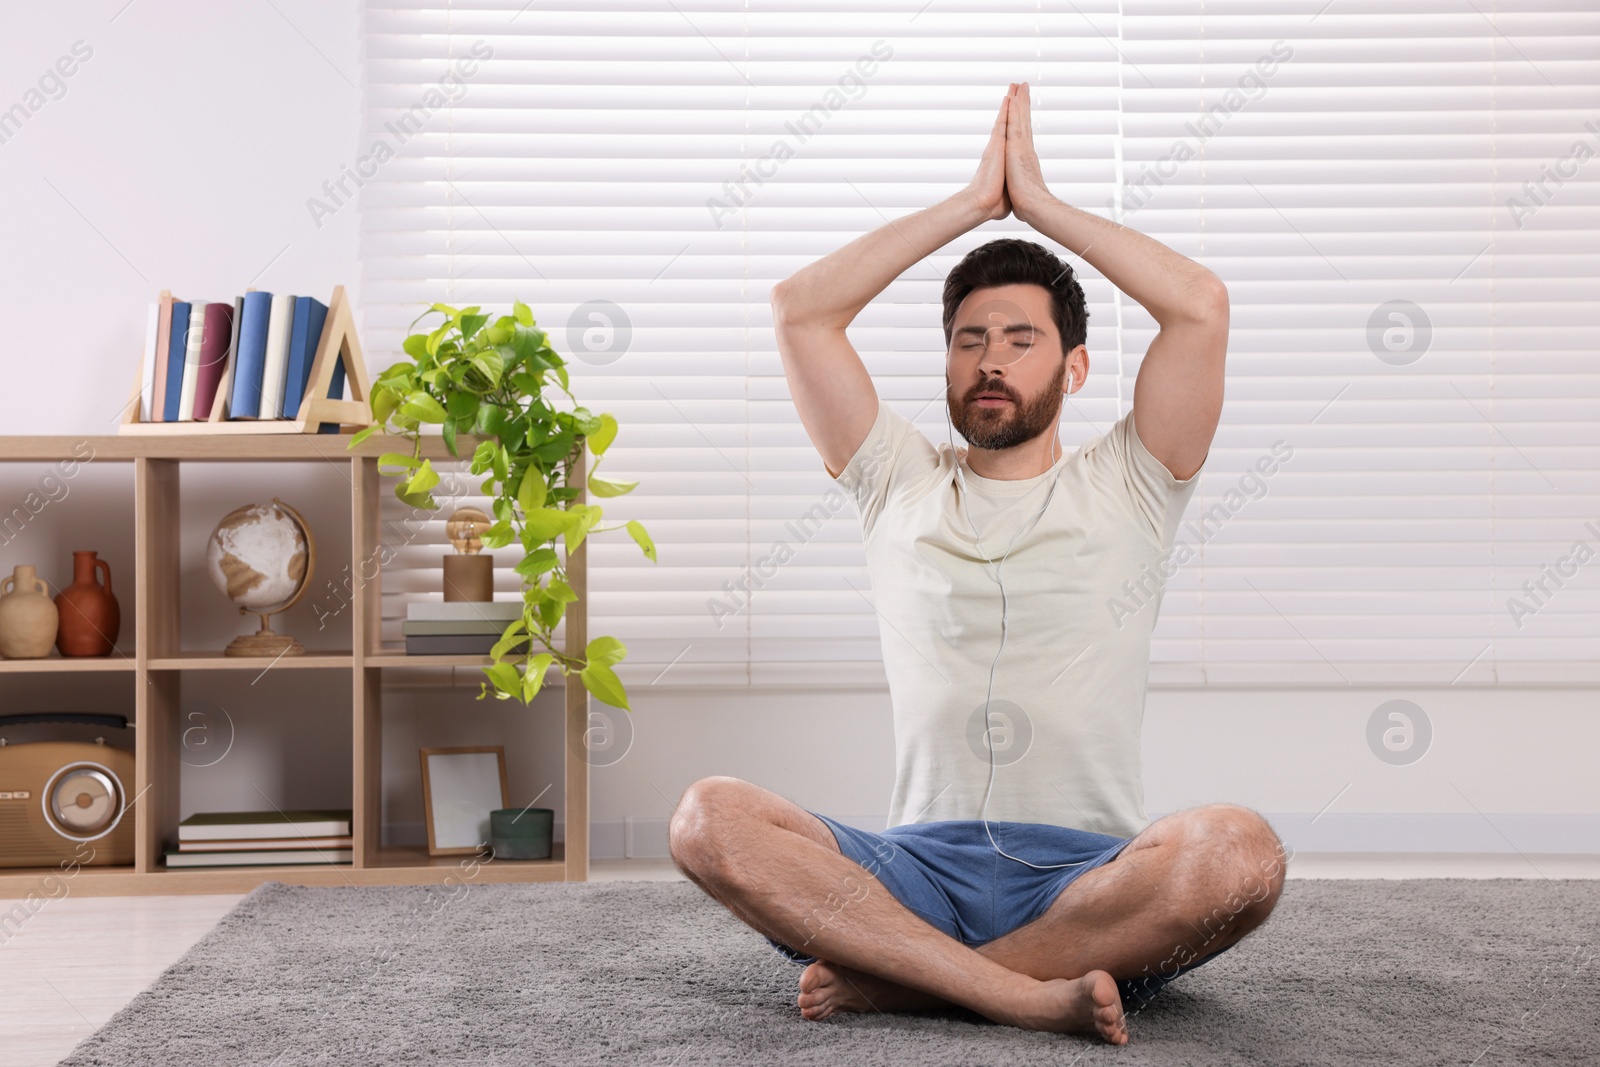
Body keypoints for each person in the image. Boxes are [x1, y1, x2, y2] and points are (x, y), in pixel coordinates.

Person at [668, 82, 1284, 1046]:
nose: (990, 360)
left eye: (1021, 339)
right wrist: (970, 204)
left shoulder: (1134, 478)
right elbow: (799, 311)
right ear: (949, 363)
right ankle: (1021, 993)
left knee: (1241, 855)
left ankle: (915, 985)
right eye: (969, 340)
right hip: (908, 874)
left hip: (1085, 884)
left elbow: (1200, 307)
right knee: (707, 819)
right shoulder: (894, 479)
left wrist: (1038, 206)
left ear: (1075, 369)